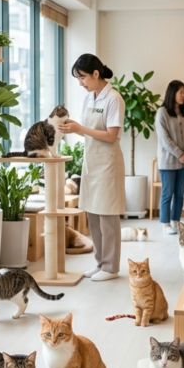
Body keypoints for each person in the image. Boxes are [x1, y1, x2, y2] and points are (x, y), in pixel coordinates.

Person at [58, 54, 125, 282]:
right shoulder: (90, 98)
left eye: (82, 77)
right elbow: (86, 128)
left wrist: (80, 129)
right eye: (77, 79)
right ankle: (100, 263)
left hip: (107, 163)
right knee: (94, 215)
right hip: (92, 162)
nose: (81, 83)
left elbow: (111, 135)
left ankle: (111, 267)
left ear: (96, 74)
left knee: (107, 216)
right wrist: (72, 127)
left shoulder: (114, 98)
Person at [155, 80, 184, 235]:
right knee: (167, 193)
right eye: (180, 92)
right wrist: (180, 154)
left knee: (179, 194)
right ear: (173, 93)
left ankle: (175, 221)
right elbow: (165, 139)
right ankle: (165, 224)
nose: (183, 95)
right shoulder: (162, 112)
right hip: (168, 162)